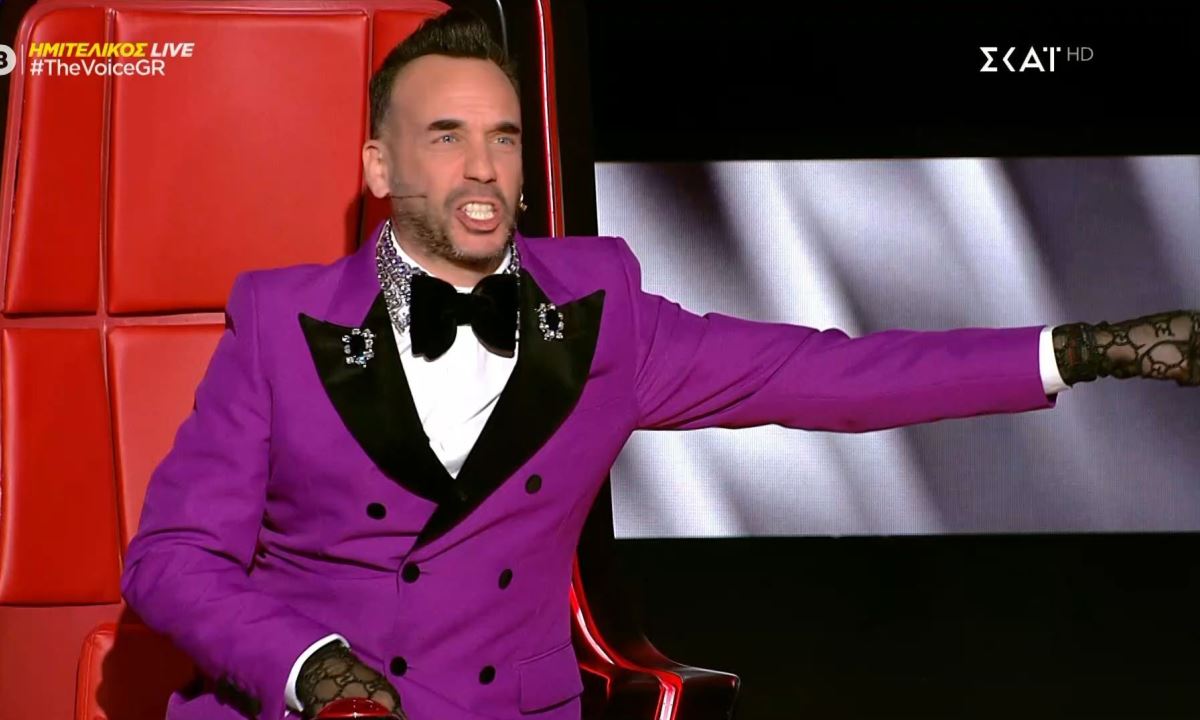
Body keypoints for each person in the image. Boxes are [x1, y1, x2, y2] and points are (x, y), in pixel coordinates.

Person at [119, 8, 1199, 720]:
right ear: (378, 163)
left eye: (504, 137)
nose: (484, 167)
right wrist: (312, 668)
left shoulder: (601, 317)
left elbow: (837, 376)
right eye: (446, 136)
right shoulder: (280, 320)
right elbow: (173, 558)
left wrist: (1085, 350)